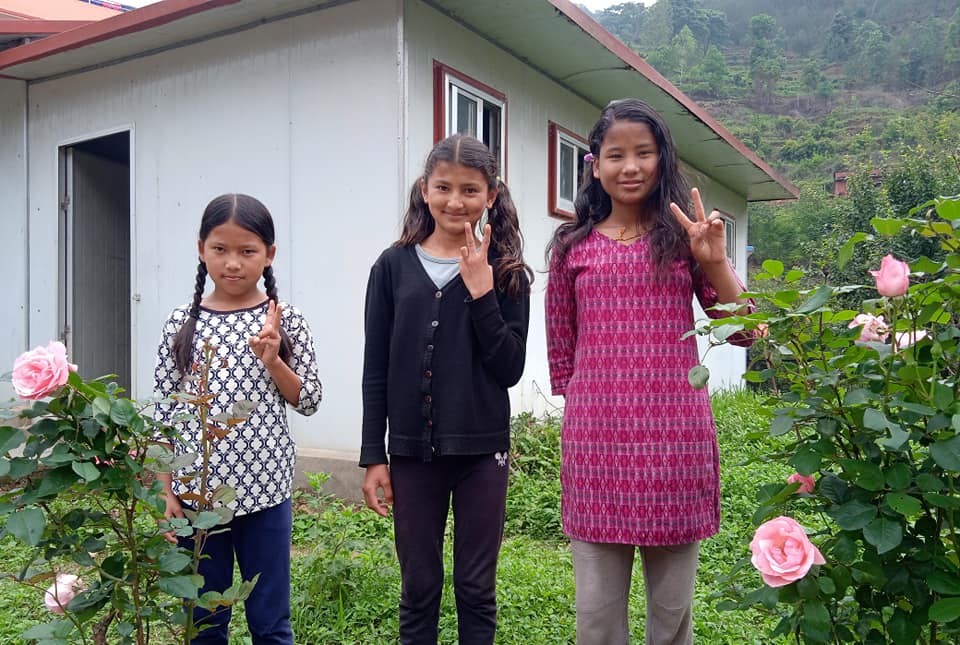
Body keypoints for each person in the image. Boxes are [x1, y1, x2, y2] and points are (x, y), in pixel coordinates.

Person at [545, 99, 754, 645]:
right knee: (595, 617)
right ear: (595, 165)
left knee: (671, 614)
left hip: (675, 446)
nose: (631, 166)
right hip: (598, 452)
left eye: (644, 152)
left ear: (663, 159)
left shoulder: (683, 241)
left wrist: (714, 261)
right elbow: (563, 359)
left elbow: (745, 333)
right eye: (616, 155)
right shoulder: (571, 247)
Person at [360, 134, 532, 645]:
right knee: (418, 587)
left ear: (491, 195)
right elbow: (376, 368)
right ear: (424, 189)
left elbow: (510, 368)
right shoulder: (391, 267)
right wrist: (374, 455)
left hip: (482, 454)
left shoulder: (507, 272)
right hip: (412, 455)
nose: (455, 201)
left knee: (476, 588)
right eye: (443, 188)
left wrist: (481, 290)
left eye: (470, 190)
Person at [153, 193, 322, 644]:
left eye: (247, 251)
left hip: (266, 493)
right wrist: (164, 489)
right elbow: (164, 413)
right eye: (220, 249)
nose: (233, 263)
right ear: (201, 249)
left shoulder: (286, 321)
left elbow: (309, 400)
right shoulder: (180, 323)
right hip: (196, 497)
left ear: (269, 254)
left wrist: (274, 360)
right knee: (204, 621)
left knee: (270, 622)